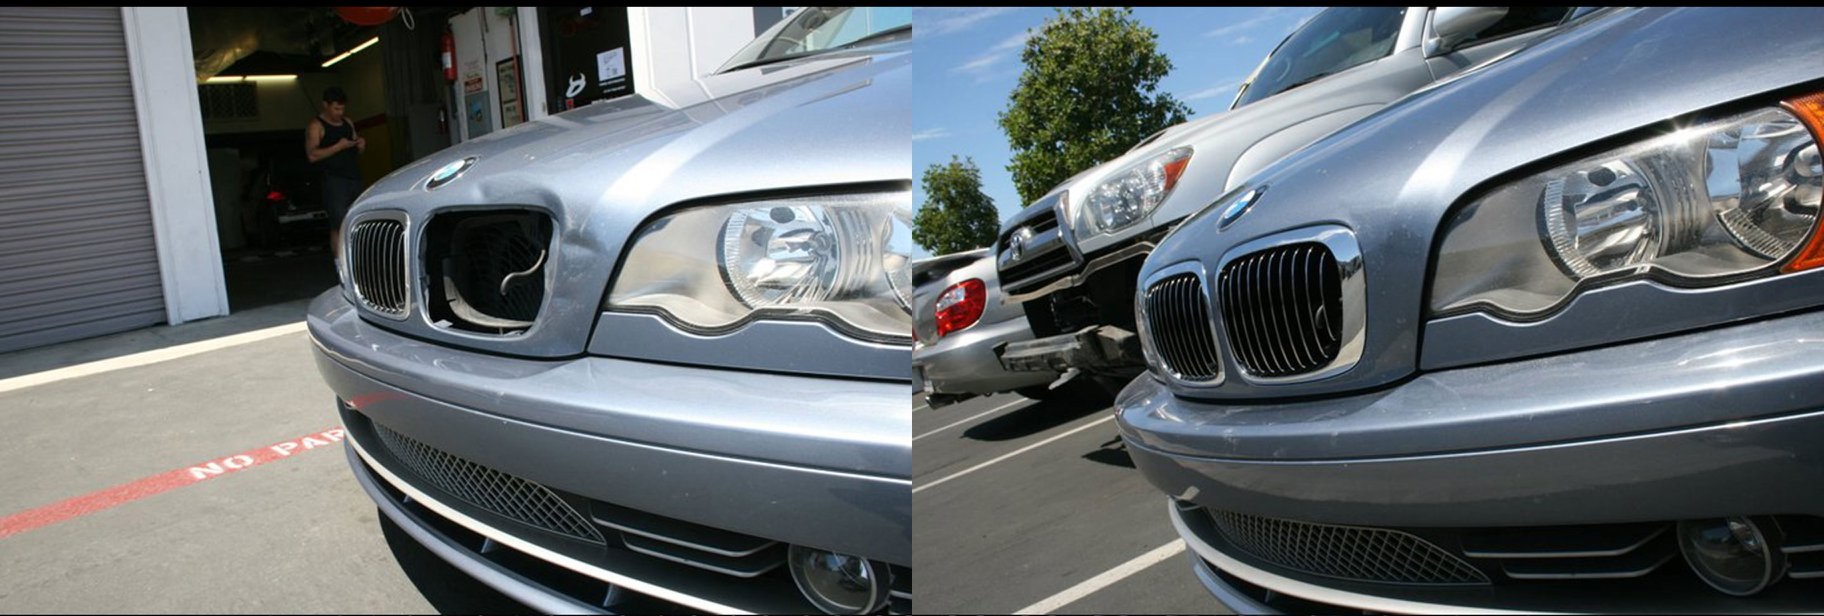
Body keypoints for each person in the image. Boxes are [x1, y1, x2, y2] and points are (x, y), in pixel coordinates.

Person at [305, 86, 364, 261]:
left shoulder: (348, 123)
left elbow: (355, 149)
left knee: (356, 221)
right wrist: (338, 146)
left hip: (354, 177)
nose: (340, 112)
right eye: (336, 108)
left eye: (342, 108)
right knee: (338, 224)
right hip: (333, 180)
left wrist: (360, 145)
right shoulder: (316, 126)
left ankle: (357, 260)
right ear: (326, 105)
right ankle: (340, 263)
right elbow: (312, 155)